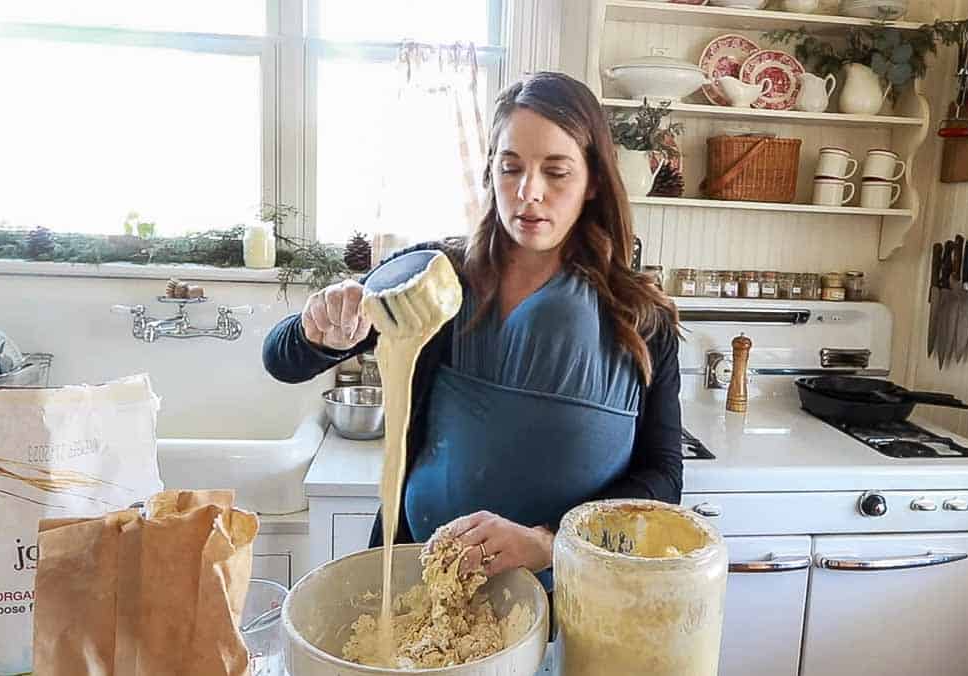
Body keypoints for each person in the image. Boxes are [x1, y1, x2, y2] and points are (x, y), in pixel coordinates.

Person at [264, 71, 681, 582]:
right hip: (417, 582)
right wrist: (319, 329)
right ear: (490, 172)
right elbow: (281, 359)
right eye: (511, 168)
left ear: (593, 181)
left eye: (556, 172)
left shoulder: (641, 318)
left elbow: (663, 479)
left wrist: (549, 542)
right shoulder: (437, 279)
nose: (529, 192)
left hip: (565, 598)